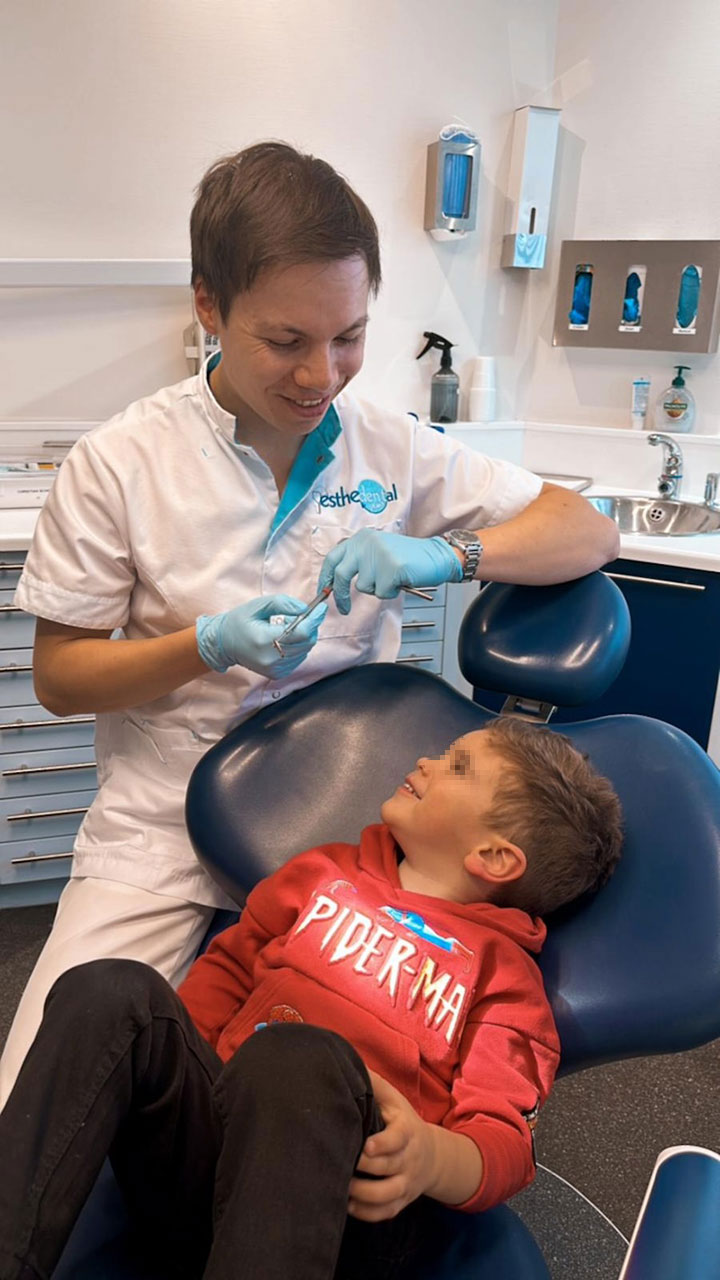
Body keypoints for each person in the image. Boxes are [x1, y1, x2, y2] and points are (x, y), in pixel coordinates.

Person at [0, 141, 619, 1107]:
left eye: (350, 336)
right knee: (37, 1093)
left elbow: (585, 527)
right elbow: (62, 677)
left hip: (351, 827)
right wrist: (201, 645)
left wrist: (447, 554)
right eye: (285, 340)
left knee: (349, 1100)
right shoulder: (120, 462)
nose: (320, 374)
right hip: (162, 826)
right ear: (208, 305)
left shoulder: (391, 446)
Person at [0, 717, 623, 1280]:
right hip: (204, 1160)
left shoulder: (503, 980)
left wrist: (430, 1157)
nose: (429, 760)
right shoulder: (323, 873)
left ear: (493, 856)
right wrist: (167, 1069)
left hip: (340, 1216)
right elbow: (226, 974)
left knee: (297, 1058)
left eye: (457, 765)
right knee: (111, 987)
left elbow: (505, 1143)